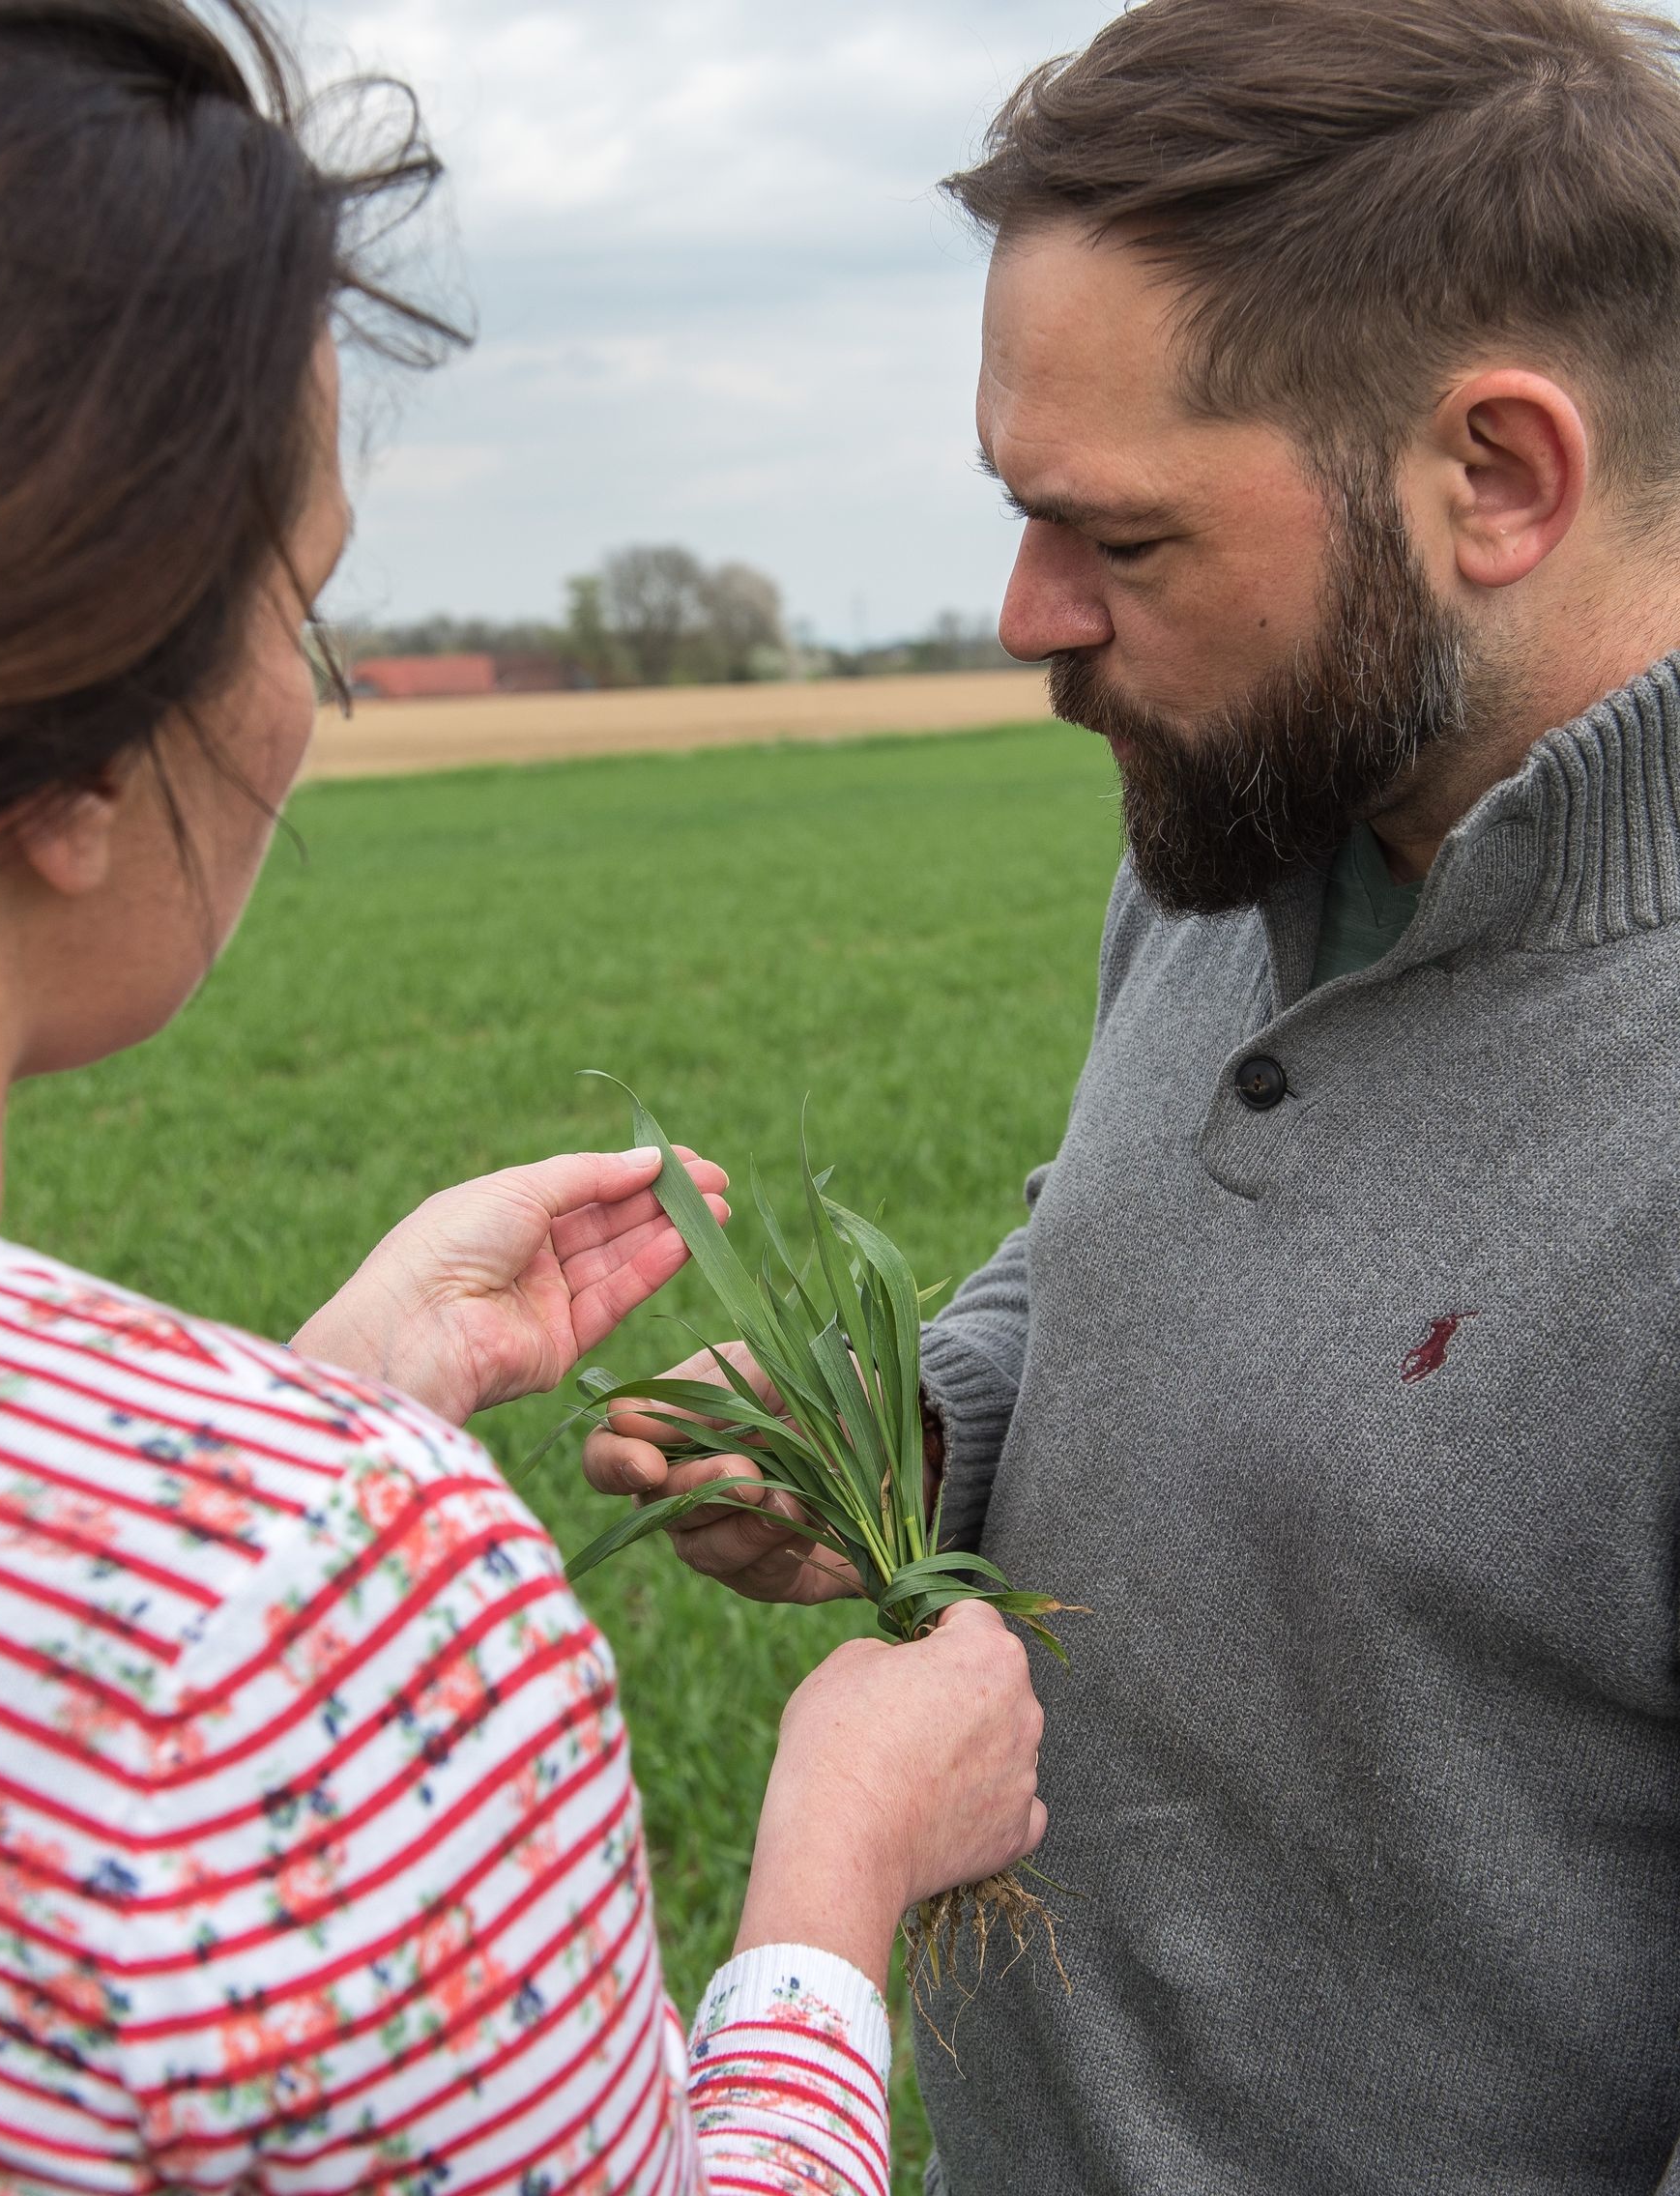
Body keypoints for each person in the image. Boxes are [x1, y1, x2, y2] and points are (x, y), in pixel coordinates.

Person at [0, 4, 1048, 2191]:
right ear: (83, 743)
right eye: (305, 607)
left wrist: (312, 1400)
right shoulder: (337, 1607)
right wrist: (833, 1870)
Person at [583, 0, 1680, 2187]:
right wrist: (922, 1423)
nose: (1023, 615)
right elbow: (1106, 1259)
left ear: (1499, 478)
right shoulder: (1238, 827)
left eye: (1126, 540)